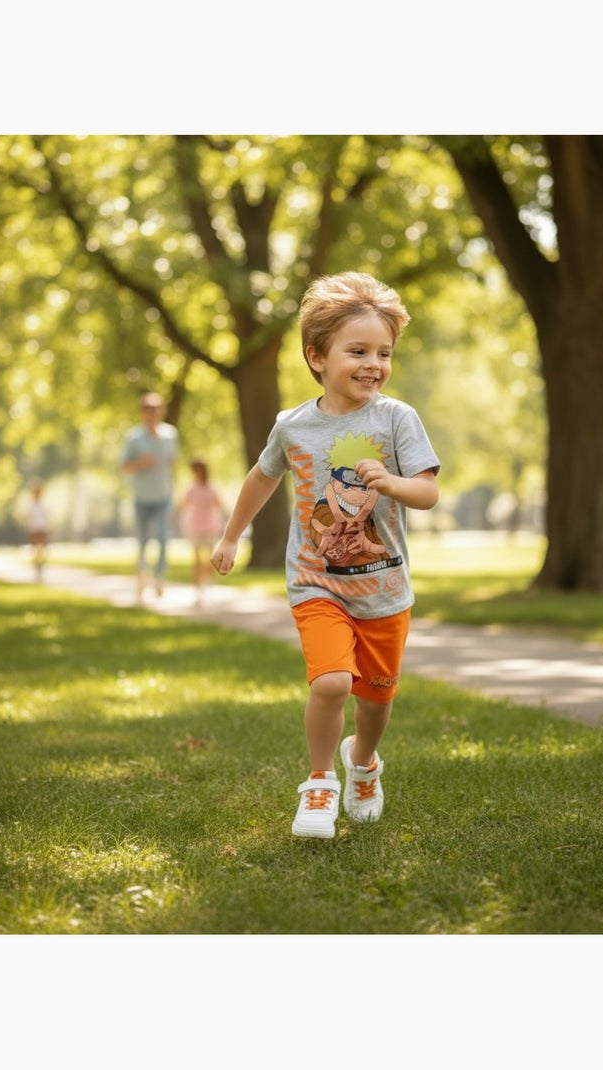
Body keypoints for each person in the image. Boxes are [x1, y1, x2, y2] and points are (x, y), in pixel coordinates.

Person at [211, 272, 440, 840]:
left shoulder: (396, 418)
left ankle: (362, 762)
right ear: (317, 356)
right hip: (317, 582)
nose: (373, 364)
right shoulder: (293, 425)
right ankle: (319, 783)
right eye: (357, 351)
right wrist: (231, 535)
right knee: (332, 682)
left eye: (383, 353)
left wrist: (389, 481)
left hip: (384, 589)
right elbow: (262, 479)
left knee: (376, 699)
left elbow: (428, 492)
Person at [120, 392, 179, 601]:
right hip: (141, 497)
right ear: (142, 412)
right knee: (143, 541)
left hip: (163, 496)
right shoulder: (133, 437)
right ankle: (142, 575)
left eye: (154, 409)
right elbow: (124, 466)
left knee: (163, 539)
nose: (151, 413)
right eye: (147, 409)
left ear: (160, 411)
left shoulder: (170, 434)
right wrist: (140, 464)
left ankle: (159, 577)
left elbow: (174, 461)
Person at [175, 457, 226, 605]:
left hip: (210, 526)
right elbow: (183, 504)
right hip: (195, 527)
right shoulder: (191, 489)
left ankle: (208, 581)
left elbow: (219, 505)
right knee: (196, 559)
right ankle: (197, 587)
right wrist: (175, 515)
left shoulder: (212, 488)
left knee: (211, 558)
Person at [24, 479, 51, 580]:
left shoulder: (42, 505)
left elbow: (47, 517)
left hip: (41, 528)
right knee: (36, 549)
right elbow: (27, 517)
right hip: (34, 529)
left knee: (41, 549)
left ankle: (40, 567)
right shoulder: (31, 505)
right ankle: (37, 567)